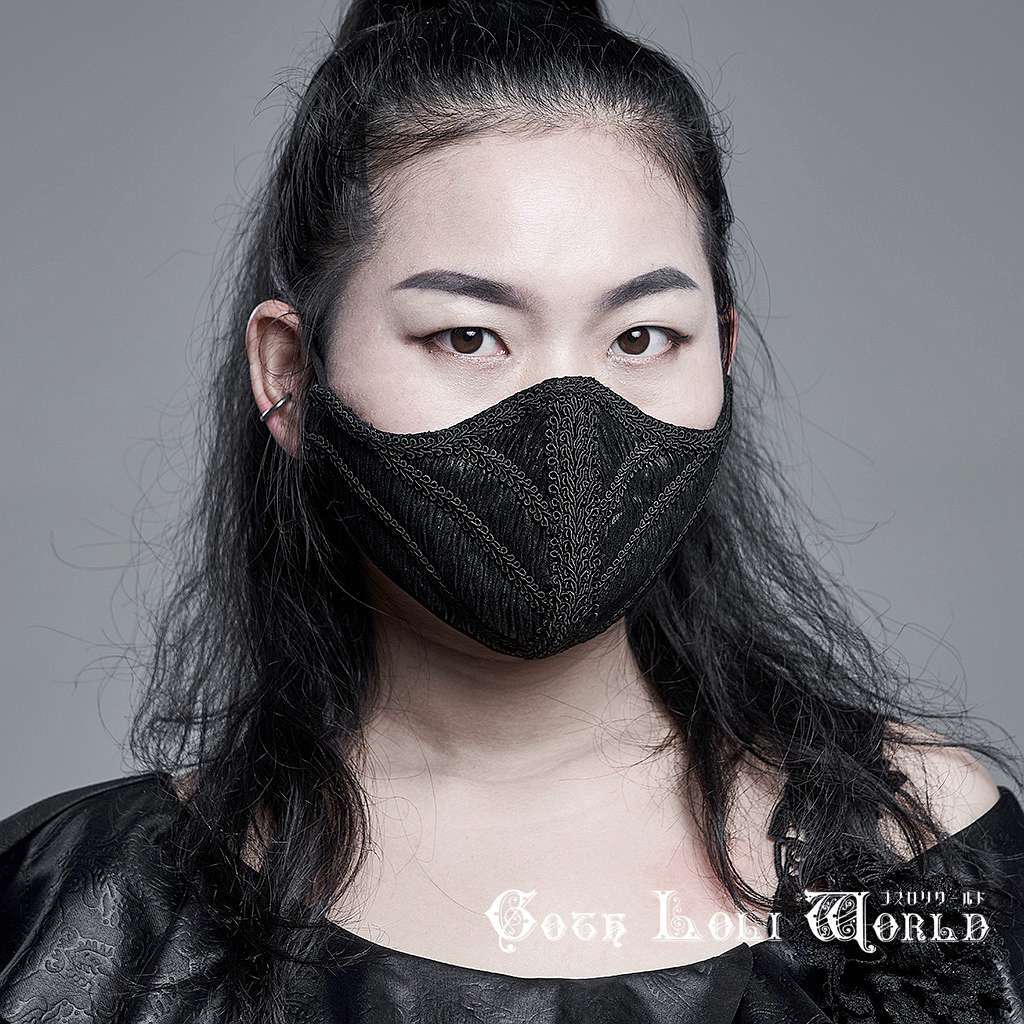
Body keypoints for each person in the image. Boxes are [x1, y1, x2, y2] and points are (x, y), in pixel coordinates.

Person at [2, 0, 1022, 1021]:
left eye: (641, 338)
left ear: (722, 355)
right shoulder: (75, 916)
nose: (567, 423)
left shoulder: (923, 863)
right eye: (467, 337)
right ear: (288, 376)